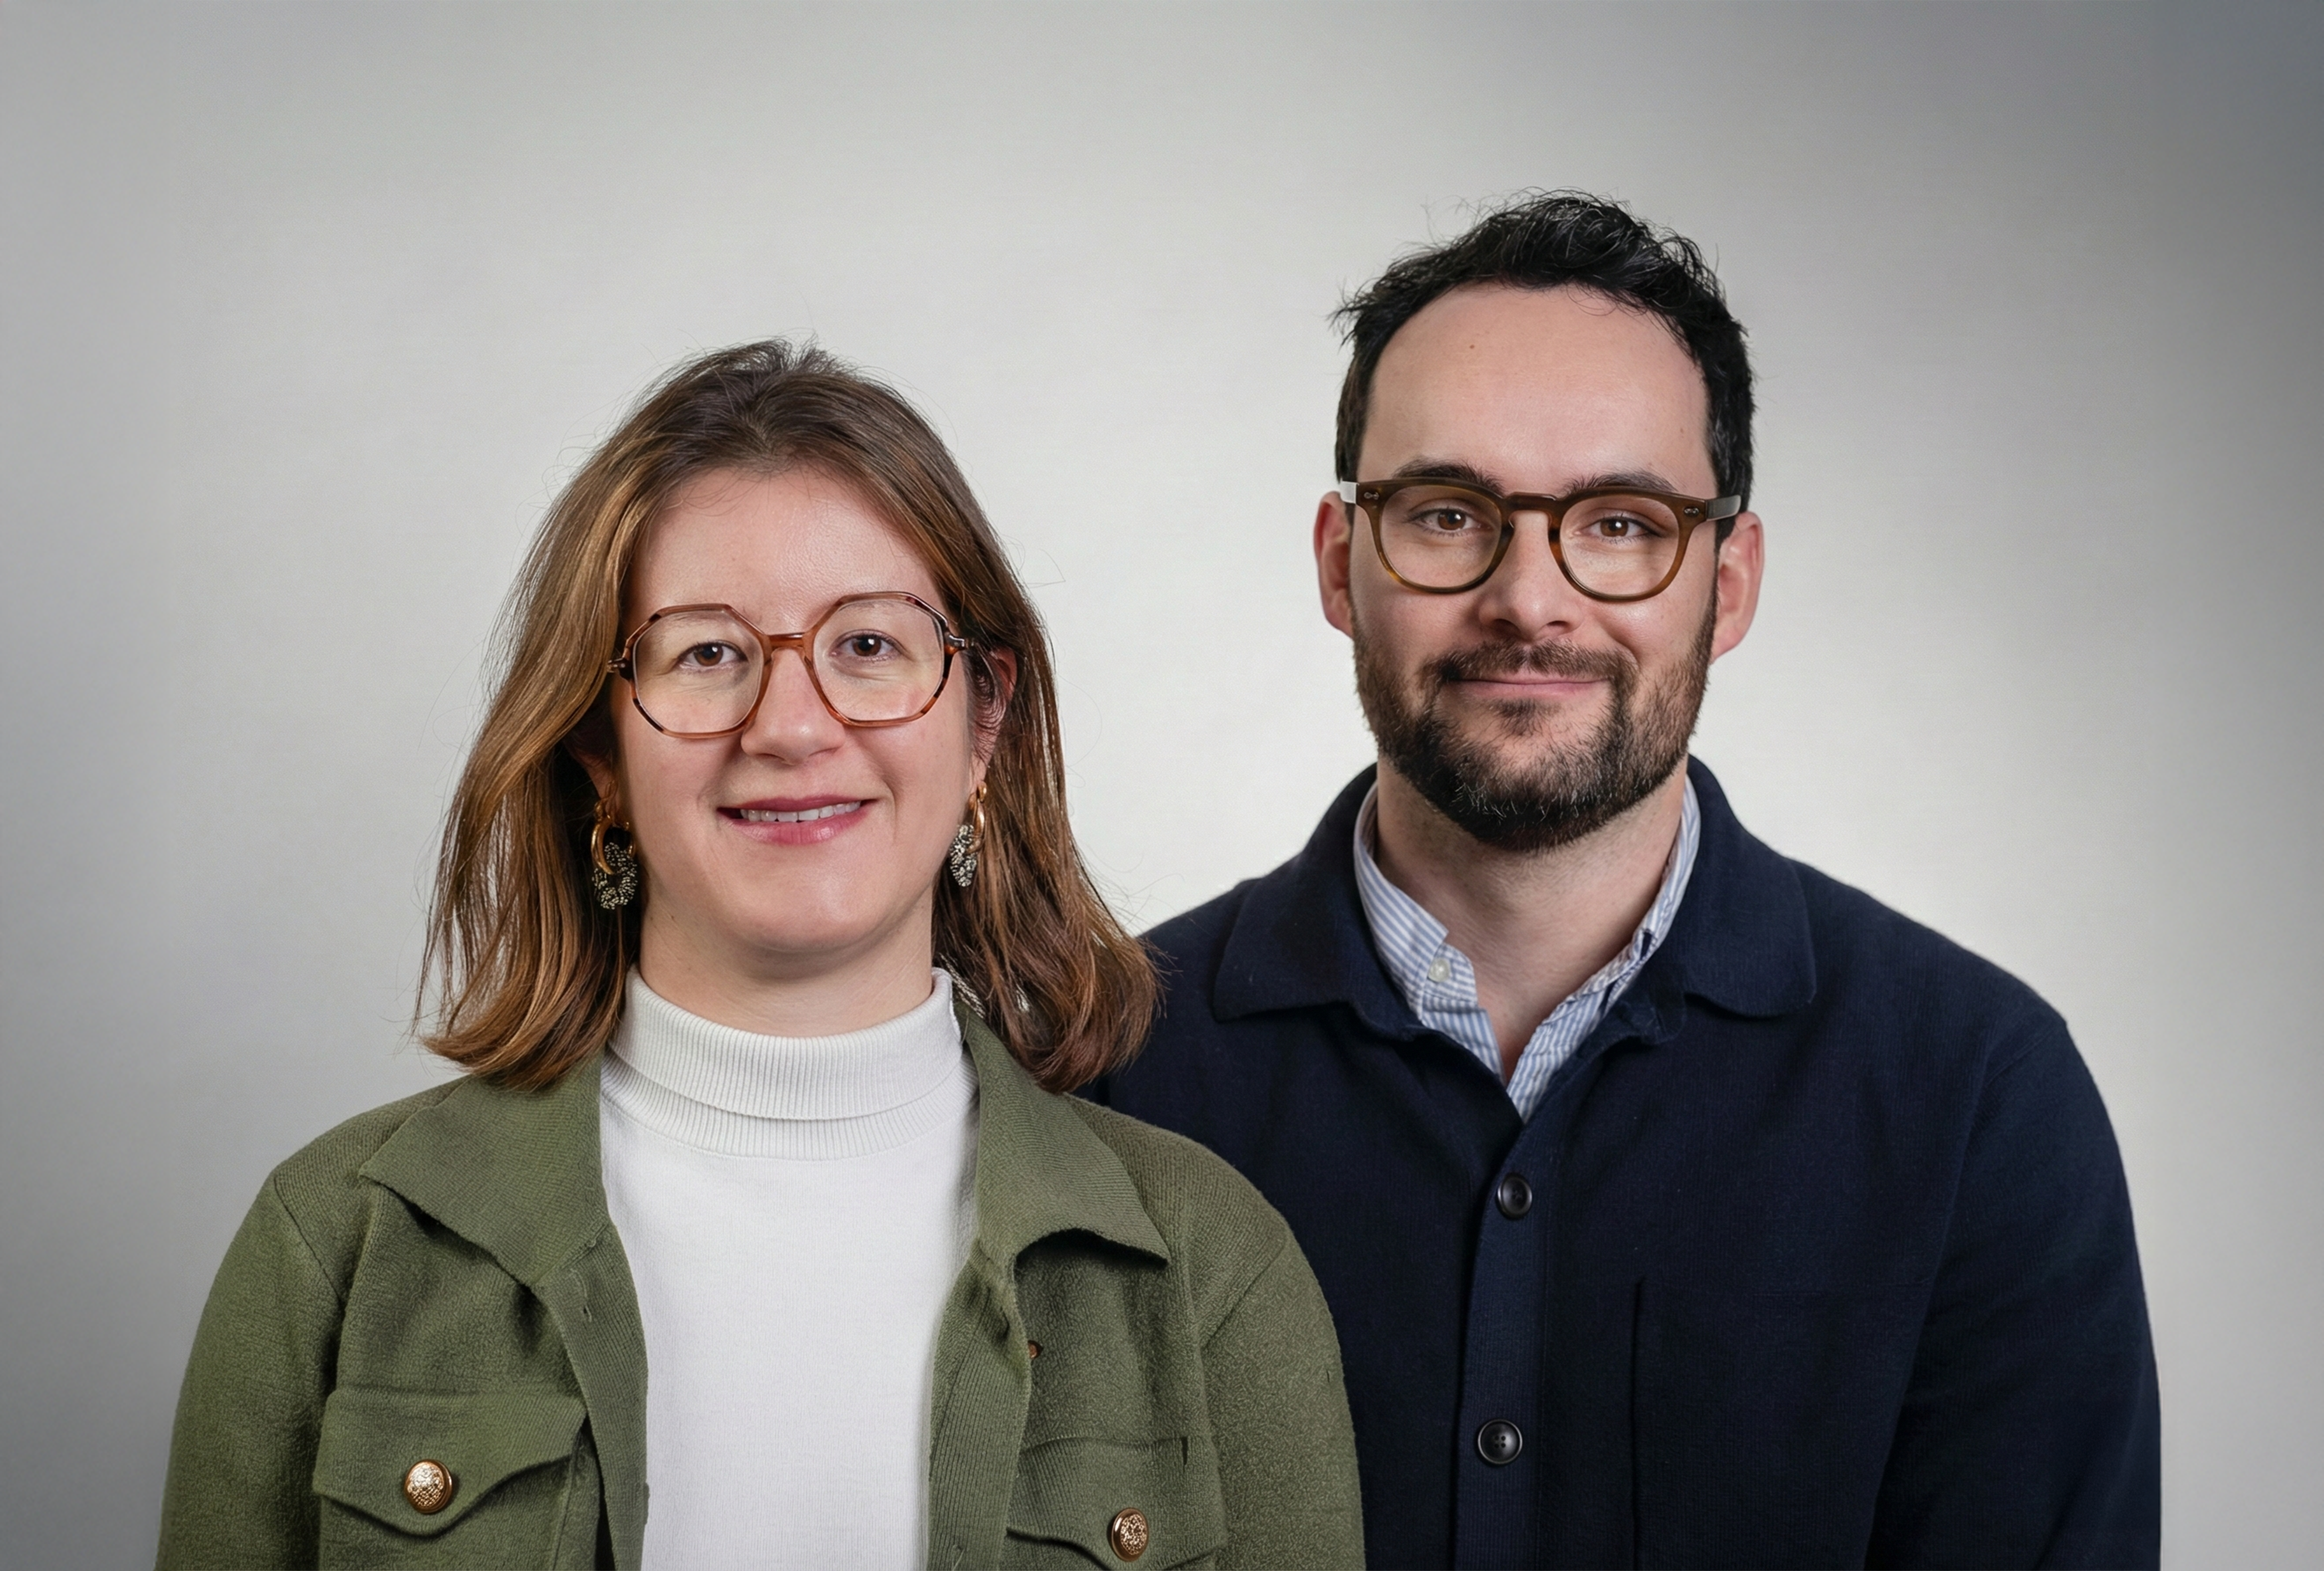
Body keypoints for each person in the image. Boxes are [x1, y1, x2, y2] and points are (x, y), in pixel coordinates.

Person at [156, 341, 1364, 1570]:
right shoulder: (339, 1243)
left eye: (871, 646)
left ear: (982, 720)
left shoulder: (1209, 1264)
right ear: (598, 751)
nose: (790, 727)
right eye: (708, 653)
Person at [1090, 193, 2160, 1568]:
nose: (1529, 599)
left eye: (1617, 523)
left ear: (1727, 583)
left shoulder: (1976, 1098)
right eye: (1444, 512)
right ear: (1337, 566)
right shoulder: (1111, 1069)